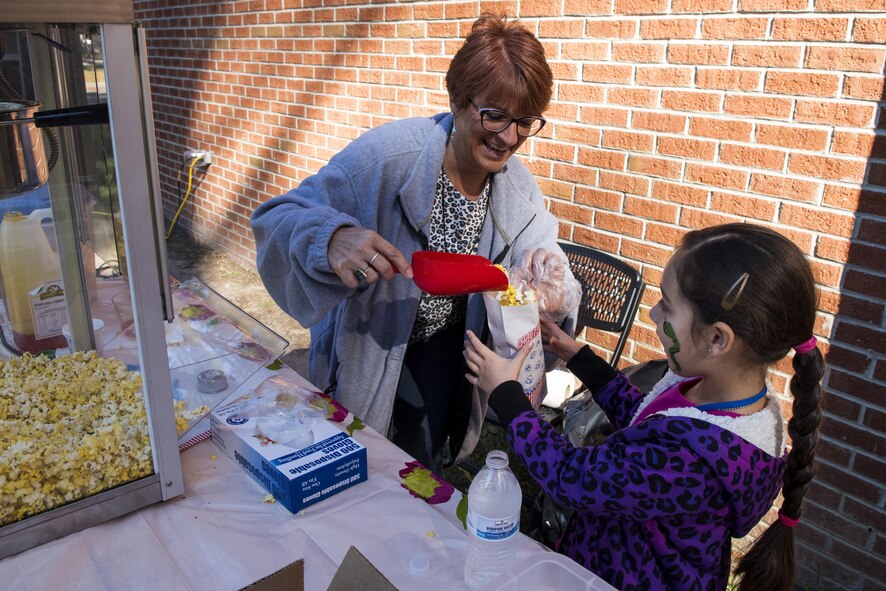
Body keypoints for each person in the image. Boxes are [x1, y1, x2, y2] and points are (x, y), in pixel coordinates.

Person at [251, 14, 575, 473]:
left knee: (421, 464)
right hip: (375, 343)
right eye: (495, 115)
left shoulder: (518, 190)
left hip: (448, 350)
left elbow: (551, 263)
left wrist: (553, 285)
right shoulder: (387, 158)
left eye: (525, 122)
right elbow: (279, 216)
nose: (509, 137)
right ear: (459, 100)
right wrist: (333, 238)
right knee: (362, 461)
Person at [464, 223, 825, 591]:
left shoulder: (695, 460)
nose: (653, 314)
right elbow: (646, 420)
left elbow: (570, 478)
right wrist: (578, 357)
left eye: (666, 306)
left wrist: (506, 394)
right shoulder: (717, 396)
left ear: (717, 338)